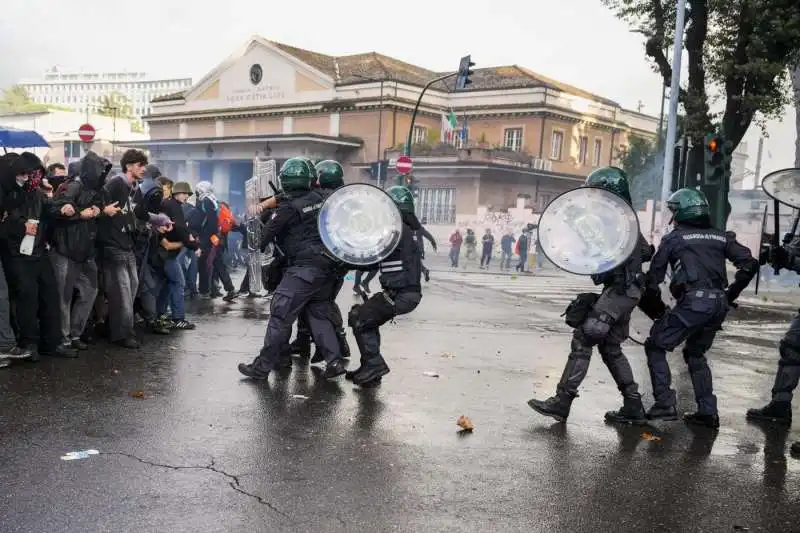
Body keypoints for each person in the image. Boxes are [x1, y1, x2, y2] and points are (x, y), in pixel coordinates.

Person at [527, 167, 652, 424]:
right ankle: (633, 405)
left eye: (597, 191)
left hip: (620, 291)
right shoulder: (626, 219)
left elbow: (605, 247)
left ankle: (562, 401)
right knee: (611, 347)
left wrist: (580, 222)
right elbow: (646, 252)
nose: (593, 197)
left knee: (585, 337)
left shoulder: (616, 218)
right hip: (625, 291)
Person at [643, 188, 758, 429]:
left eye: (673, 211)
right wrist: (730, 295)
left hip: (695, 303)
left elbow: (652, 280)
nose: (672, 217)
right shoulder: (721, 236)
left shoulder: (674, 239)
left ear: (682, 213)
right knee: (695, 353)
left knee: (656, 345)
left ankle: (664, 403)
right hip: (718, 304)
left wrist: (657, 310)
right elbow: (749, 263)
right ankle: (708, 411)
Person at [237, 157, 346, 381]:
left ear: (285, 180)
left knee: (280, 315)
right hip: (326, 268)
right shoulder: (319, 198)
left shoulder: (287, 209)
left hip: (302, 269)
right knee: (318, 315)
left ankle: (261, 368)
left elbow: (260, 240)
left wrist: (249, 224)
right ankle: (334, 361)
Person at [345, 185, 423, 387]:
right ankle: (369, 367)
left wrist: (343, 259)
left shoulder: (397, 232)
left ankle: (375, 366)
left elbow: (371, 257)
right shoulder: (407, 230)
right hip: (402, 293)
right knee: (364, 316)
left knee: (361, 319)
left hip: (401, 294)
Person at [0, 152, 71, 358]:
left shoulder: (37, 193)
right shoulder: (8, 194)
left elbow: (49, 208)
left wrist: (63, 207)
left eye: (34, 174)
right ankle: (28, 343)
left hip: (40, 252)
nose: (30, 179)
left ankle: (52, 342)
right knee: (26, 301)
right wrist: (20, 227)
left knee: (50, 297)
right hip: (18, 256)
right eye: (26, 174)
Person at [289, 160, 352, 363]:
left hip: (320, 260)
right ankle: (318, 344)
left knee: (318, 306)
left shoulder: (319, 199)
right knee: (322, 304)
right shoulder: (347, 198)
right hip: (339, 262)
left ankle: (334, 348)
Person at [49, 151, 110, 352]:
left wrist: (98, 211)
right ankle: (63, 339)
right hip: (66, 250)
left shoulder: (95, 189)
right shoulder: (73, 186)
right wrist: (78, 214)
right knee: (63, 297)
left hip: (84, 250)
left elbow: (98, 207)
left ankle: (74, 335)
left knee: (89, 292)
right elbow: (55, 209)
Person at [95, 149, 149, 349]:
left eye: (143, 165)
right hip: (113, 245)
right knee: (122, 292)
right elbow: (99, 206)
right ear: (128, 166)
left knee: (131, 290)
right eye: (139, 165)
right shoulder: (116, 183)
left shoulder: (135, 188)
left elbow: (138, 213)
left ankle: (116, 328)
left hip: (127, 245)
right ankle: (122, 334)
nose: (143, 169)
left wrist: (154, 220)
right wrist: (103, 211)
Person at [156, 180, 199, 330]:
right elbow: (180, 228)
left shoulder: (169, 205)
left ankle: (159, 315)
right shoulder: (173, 206)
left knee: (168, 285)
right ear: (177, 193)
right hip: (168, 253)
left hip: (165, 253)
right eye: (185, 193)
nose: (187, 196)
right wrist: (193, 245)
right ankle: (178, 318)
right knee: (178, 282)